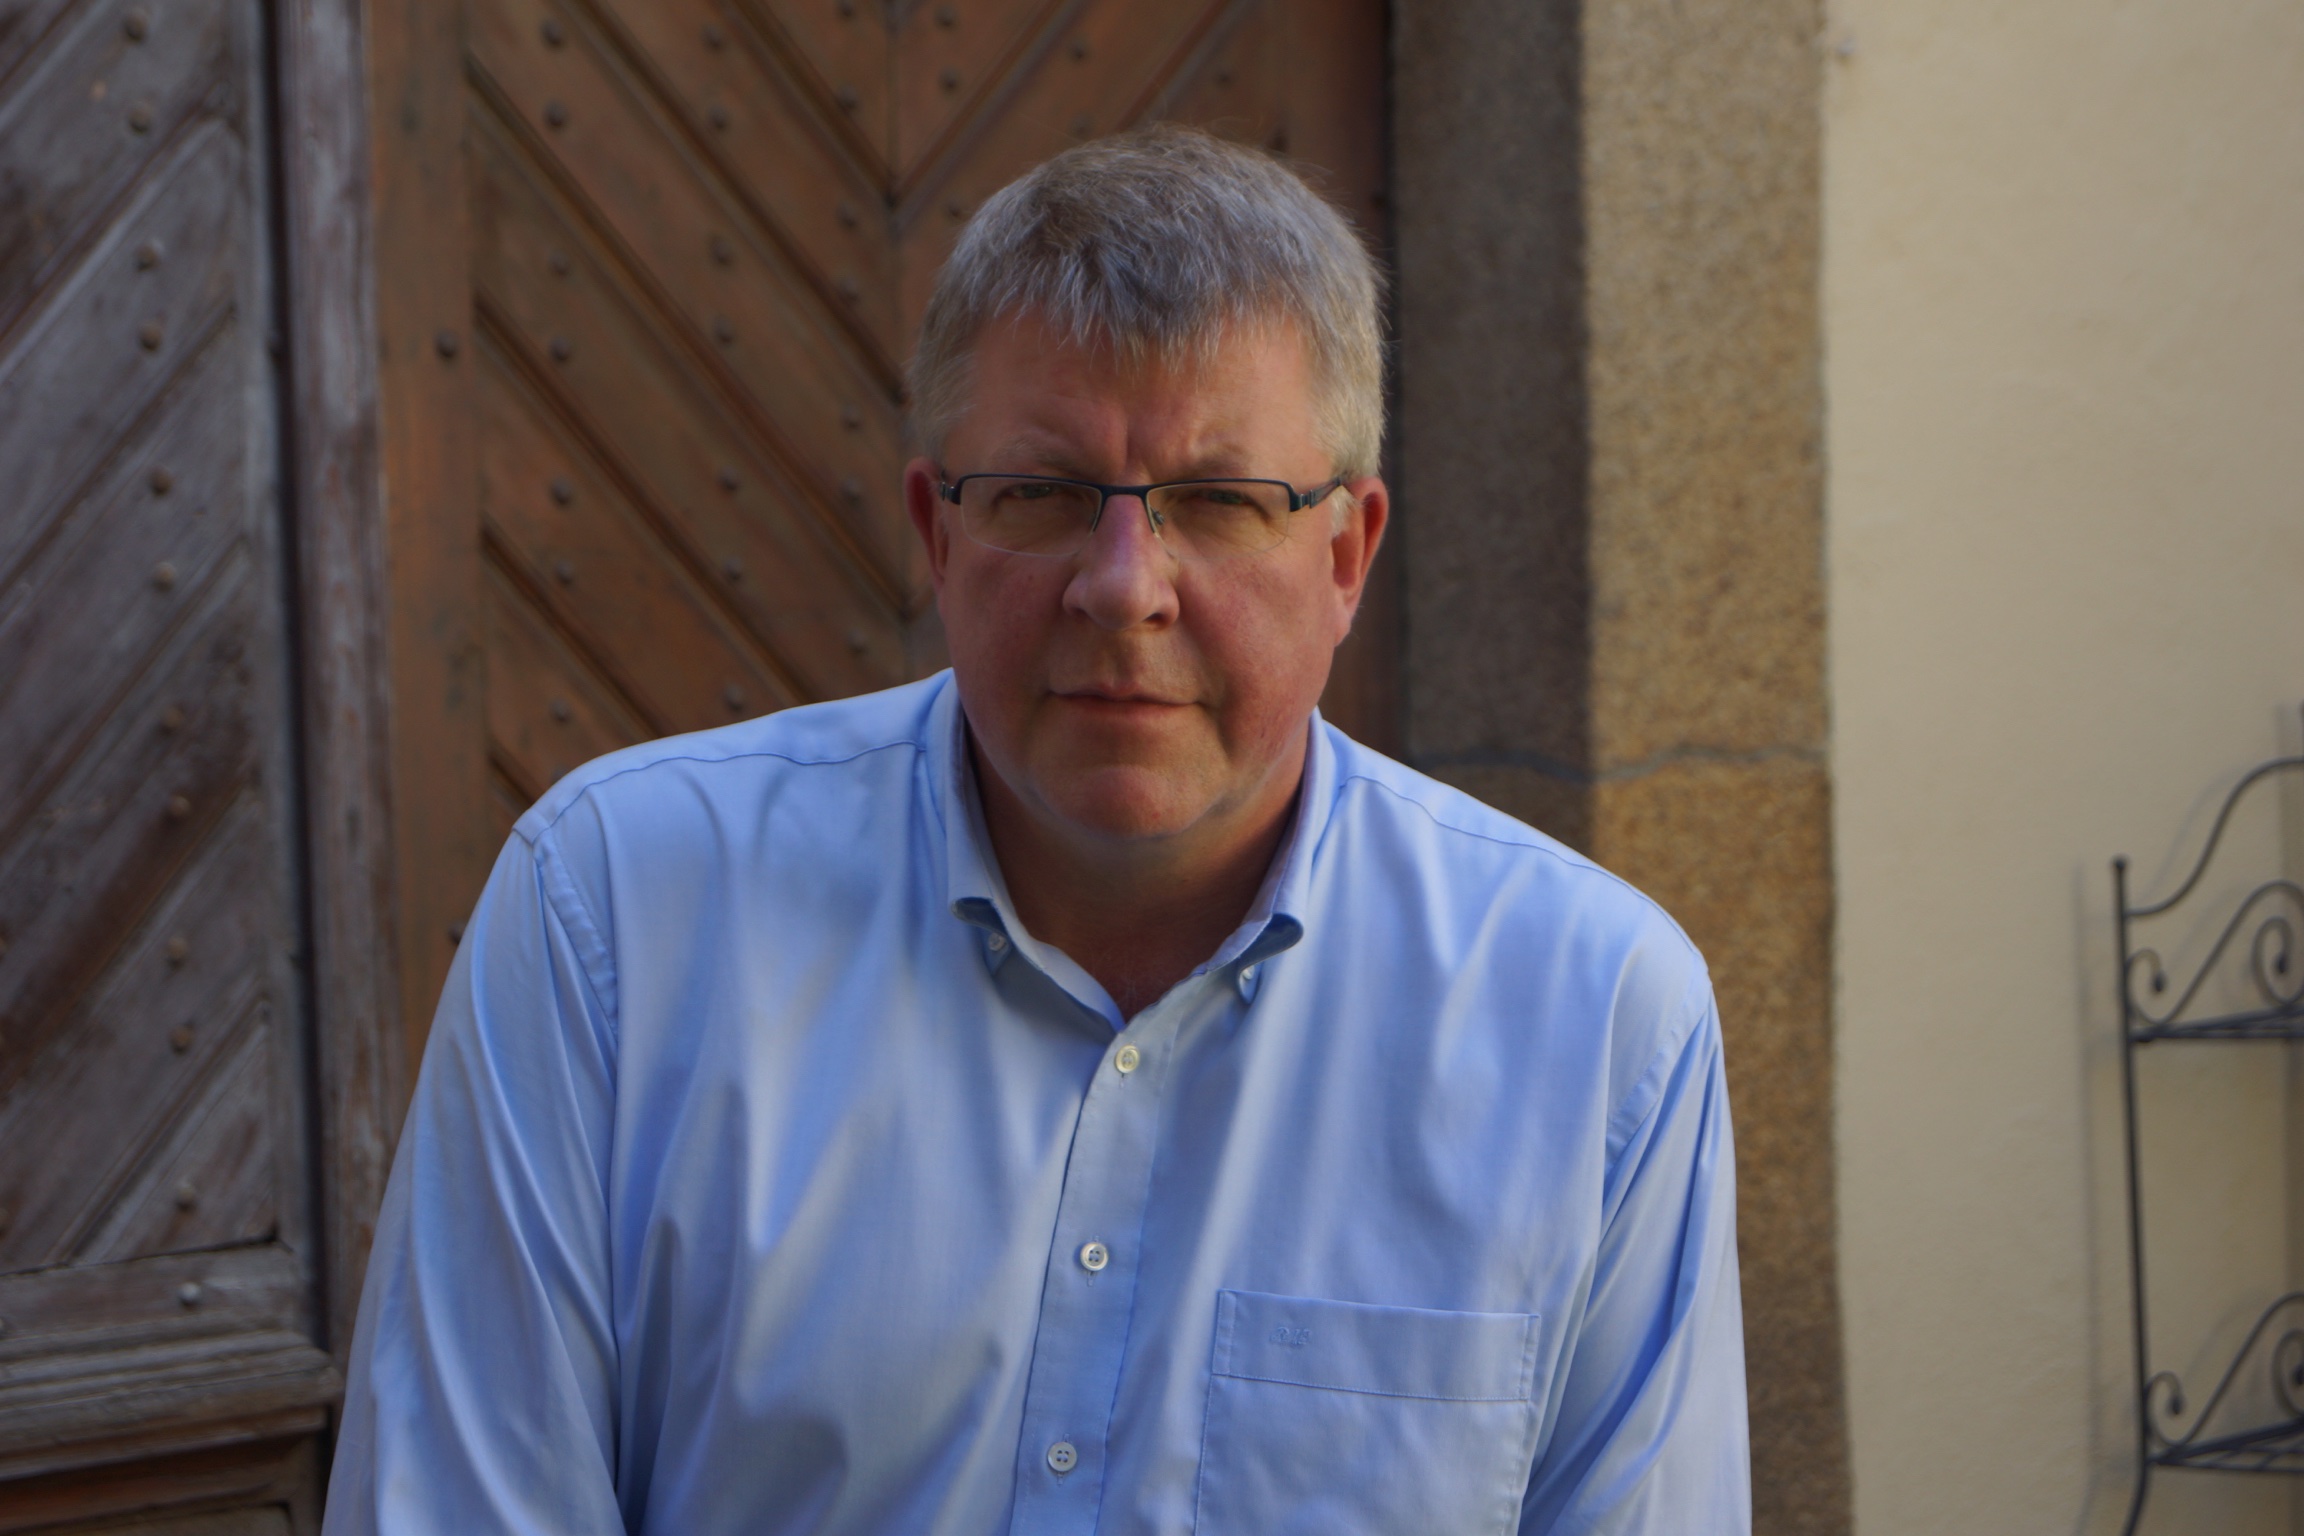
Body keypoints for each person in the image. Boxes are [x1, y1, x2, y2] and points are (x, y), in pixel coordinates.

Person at [324, 124, 1748, 1535]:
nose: (1123, 586)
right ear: (938, 534)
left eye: (1219, 502)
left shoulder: (1595, 1019)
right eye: (1045, 496)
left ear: (1346, 553)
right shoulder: (618, 914)